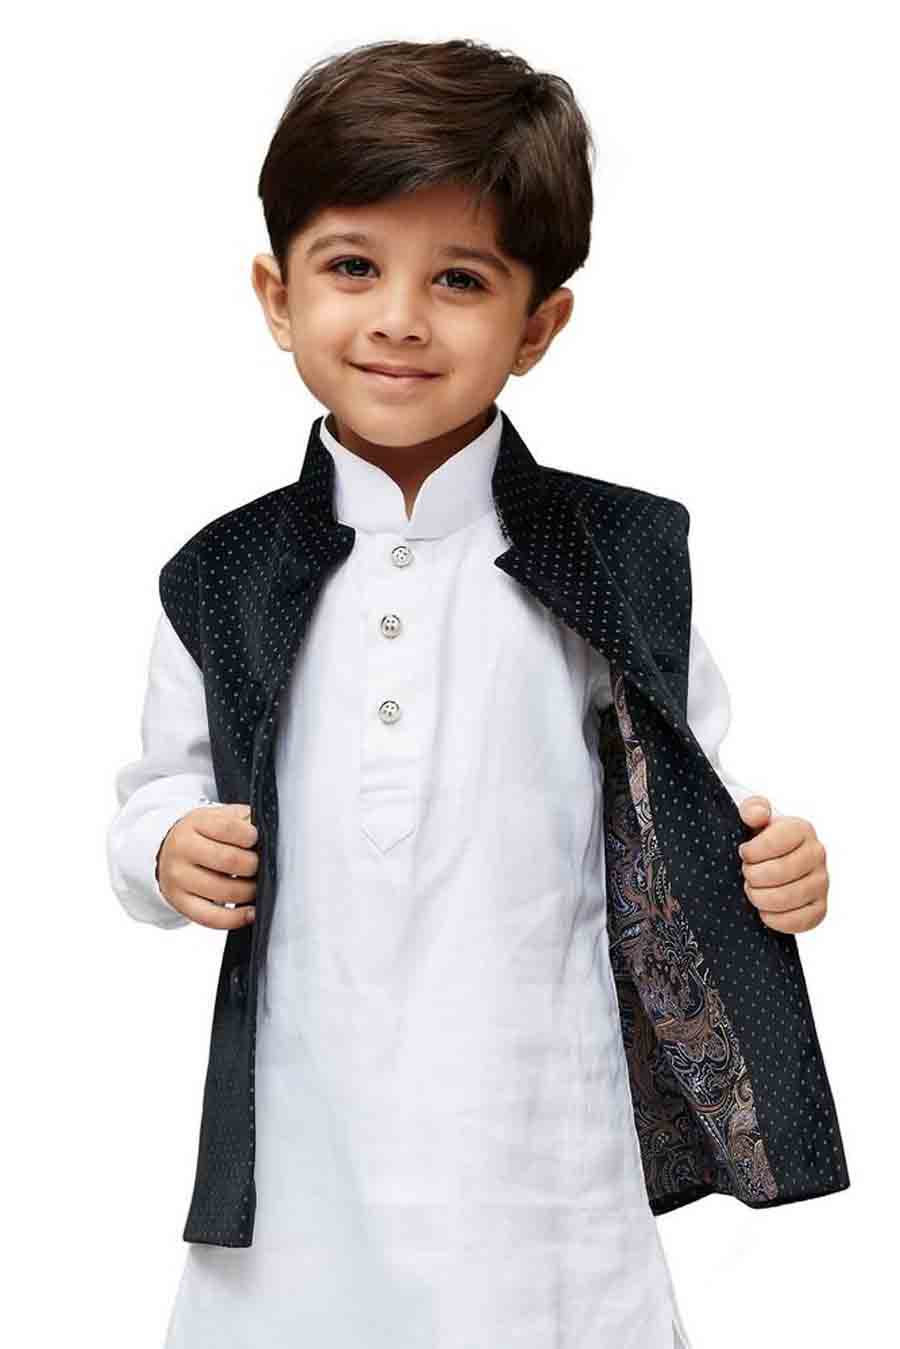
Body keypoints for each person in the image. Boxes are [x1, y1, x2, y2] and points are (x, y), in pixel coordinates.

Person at [106, 37, 841, 1349]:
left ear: (538, 325)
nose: (399, 317)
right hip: (303, 1146)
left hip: (543, 1157)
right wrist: (166, 848)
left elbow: (702, 792)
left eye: (459, 278)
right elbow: (157, 792)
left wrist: (776, 863)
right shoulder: (221, 576)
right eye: (353, 267)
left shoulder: (614, 557)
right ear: (277, 295)